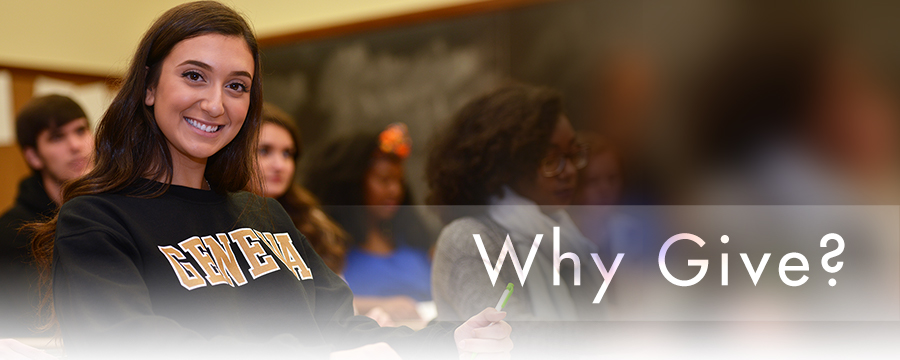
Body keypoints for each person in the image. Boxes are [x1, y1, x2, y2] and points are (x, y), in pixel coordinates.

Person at [26, 2, 510, 359]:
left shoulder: (264, 214)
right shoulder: (96, 219)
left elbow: (342, 328)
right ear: (150, 86)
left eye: (236, 85)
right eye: (195, 76)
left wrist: (450, 337)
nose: (216, 104)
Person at [427, 83, 602, 324]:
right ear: (506, 167)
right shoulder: (467, 239)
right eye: (551, 161)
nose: (569, 171)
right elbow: (507, 337)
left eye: (573, 155)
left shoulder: (564, 232)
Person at [304, 125, 435, 321]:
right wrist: (381, 305)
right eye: (384, 180)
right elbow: (315, 303)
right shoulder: (328, 247)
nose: (395, 191)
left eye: (400, 181)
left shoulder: (416, 237)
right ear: (353, 185)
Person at [0, 94, 93, 337]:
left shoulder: (112, 209)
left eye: (81, 130)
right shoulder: (13, 233)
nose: (75, 145)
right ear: (33, 156)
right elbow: (36, 325)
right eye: (57, 137)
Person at [256, 103, 347, 273]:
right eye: (264, 151)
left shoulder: (311, 219)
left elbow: (337, 293)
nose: (279, 165)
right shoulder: (219, 217)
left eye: (287, 154)